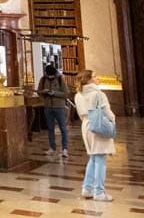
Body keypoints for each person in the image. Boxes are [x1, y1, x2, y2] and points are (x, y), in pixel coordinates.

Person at [73, 69, 116, 201]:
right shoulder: (98, 94)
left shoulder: (78, 95)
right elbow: (107, 112)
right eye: (95, 76)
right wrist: (112, 122)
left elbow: (80, 114)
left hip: (86, 125)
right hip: (98, 124)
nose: (98, 79)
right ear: (89, 79)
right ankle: (99, 192)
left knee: (93, 157)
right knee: (101, 159)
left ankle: (87, 188)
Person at [37, 63, 70, 158]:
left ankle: (65, 149)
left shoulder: (60, 79)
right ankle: (52, 147)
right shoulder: (43, 79)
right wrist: (44, 92)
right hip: (48, 107)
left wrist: (54, 93)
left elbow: (66, 93)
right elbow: (39, 91)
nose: (50, 76)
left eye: (51, 75)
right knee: (50, 128)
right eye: (48, 75)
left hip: (59, 107)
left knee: (63, 128)